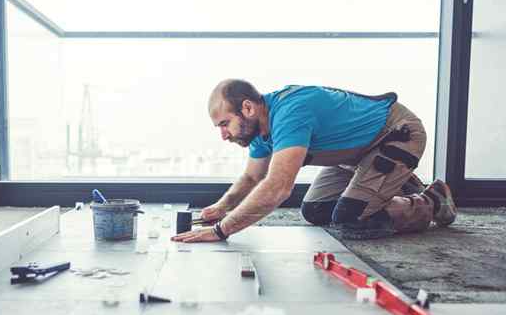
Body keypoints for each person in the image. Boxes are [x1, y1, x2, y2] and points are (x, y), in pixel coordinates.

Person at [171, 79, 456, 243]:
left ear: (247, 107)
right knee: (315, 211)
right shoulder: (258, 128)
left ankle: (431, 200)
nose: (223, 135)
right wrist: (221, 208)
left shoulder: (290, 113)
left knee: (349, 219)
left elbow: (277, 187)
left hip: (394, 136)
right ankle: (396, 180)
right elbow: (252, 178)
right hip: (353, 156)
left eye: (224, 124)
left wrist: (222, 230)